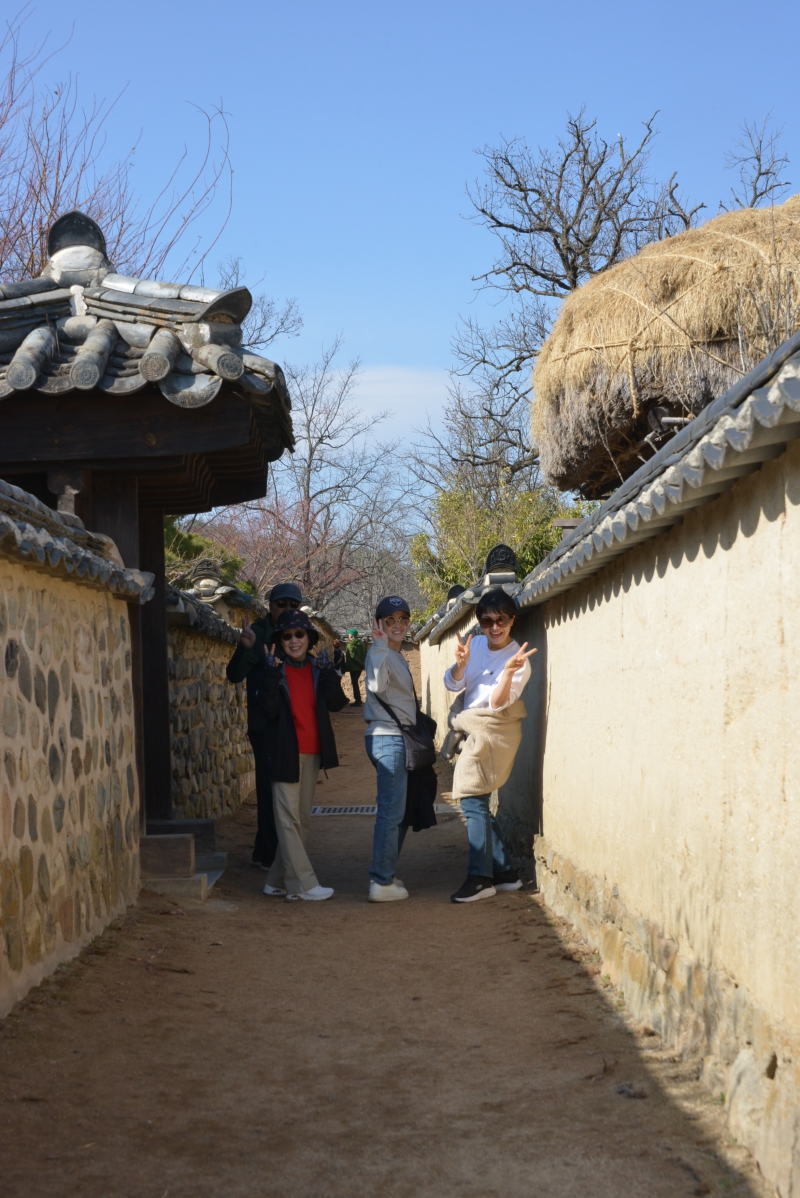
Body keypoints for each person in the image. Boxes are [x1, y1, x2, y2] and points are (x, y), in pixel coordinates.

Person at [443, 588, 537, 903]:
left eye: (501, 620)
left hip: (494, 730)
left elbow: (497, 705)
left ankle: (480, 879)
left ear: (512, 620)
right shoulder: (477, 644)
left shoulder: (519, 660)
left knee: (472, 800)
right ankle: (506, 873)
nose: (494, 627)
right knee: (478, 802)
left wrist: (508, 672)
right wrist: (460, 664)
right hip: (474, 727)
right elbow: (452, 683)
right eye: (487, 621)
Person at [260, 609, 348, 900]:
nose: (294, 640)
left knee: (301, 821)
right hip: (283, 753)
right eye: (287, 636)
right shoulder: (275, 671)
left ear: (309, 639)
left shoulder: (318, 669)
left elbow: (337, 704)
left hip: (312, 753)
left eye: (299, 634)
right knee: (288, 821)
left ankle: (276, 880)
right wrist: (270, 676)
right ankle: (303, 885)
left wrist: (330, 672)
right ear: (280, 642)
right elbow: (267, 711)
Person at [226, 582, 304, 869]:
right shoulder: (258, 633)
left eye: (293, 604)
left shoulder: (300, 632)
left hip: (294, 722)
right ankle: (267, 853)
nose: (287, 609)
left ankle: (284, 850)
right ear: (270, 606)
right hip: (265, 723)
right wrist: (245, 648)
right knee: (269, 787)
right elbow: (234, 675)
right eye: (281, 604)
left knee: (292, 787)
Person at [363, 596, 417, 902]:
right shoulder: (379, 651)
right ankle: (381, 882)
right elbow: (376, 686)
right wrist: (380, 645)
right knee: (391, 811)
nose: (398, 625)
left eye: (403, 619)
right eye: (390, 620)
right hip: (388, 738)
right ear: (379, 623)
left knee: (399, 810)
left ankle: (385, 873)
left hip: (395, 737)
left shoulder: (396, 654)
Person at [345, 628, 367, 707]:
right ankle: (358, 700)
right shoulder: (362, 644)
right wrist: (362, 663)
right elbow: (365, 654)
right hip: (360, 667)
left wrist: (359, 663)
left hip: (353, 667)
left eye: (349, 634)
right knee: (355, 683)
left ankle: (357, 700)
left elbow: (352, 656)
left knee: (354, 684)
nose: (348, 635)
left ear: (351, 636)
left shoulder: (350, 645)